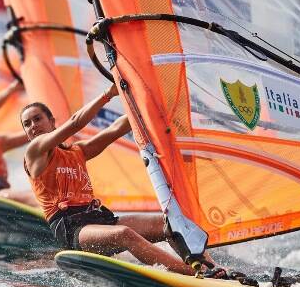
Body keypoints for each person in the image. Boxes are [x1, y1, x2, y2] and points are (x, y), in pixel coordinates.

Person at [21, 83, 203, 275]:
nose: (33, 126)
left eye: (37, 119)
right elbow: (75, 122)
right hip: (73, 230)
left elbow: (115, 129)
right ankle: (191, 274)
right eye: (27, 124)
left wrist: (150, 103)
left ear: (51, 121)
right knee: (124, 234)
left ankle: (210, 269)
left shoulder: (77, 152)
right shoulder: (34, 152)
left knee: (171, 223)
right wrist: (108, 94)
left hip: (99, 219)